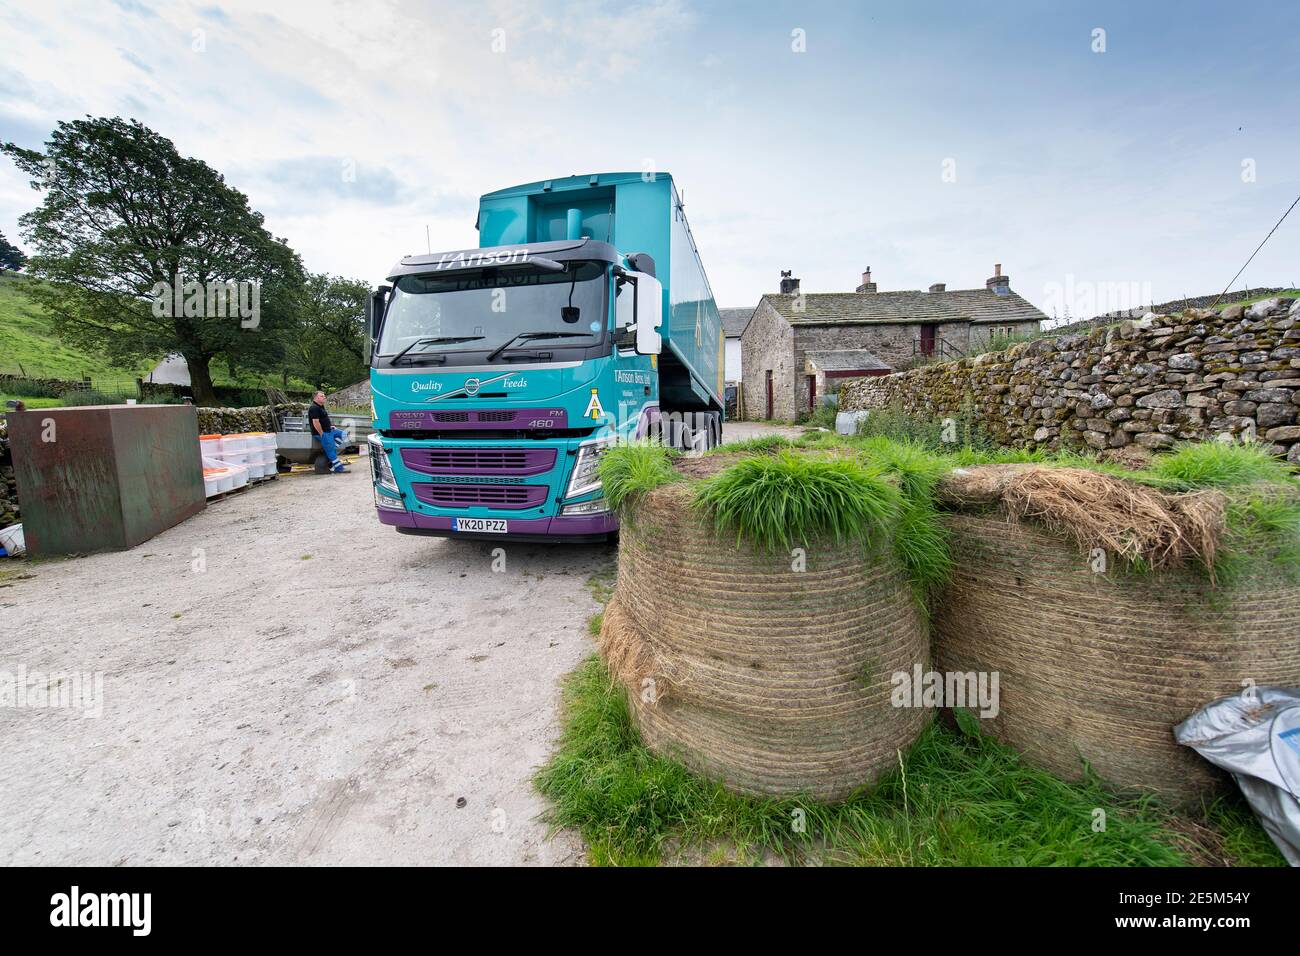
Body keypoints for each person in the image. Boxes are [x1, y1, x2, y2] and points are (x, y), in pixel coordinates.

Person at [308, 390, 347, 473]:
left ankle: (330, 450)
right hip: (323, 433)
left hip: (329, 430)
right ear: (316, 398)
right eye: (322, 396)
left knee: (344, 434)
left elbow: (323, 419)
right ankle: (338, 468)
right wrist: (321, 433)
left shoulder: (321, 406)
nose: (324, 397)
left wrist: (329, 426)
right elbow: (315, 422)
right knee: (331, 450)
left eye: (324, 396)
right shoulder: (314, 408)